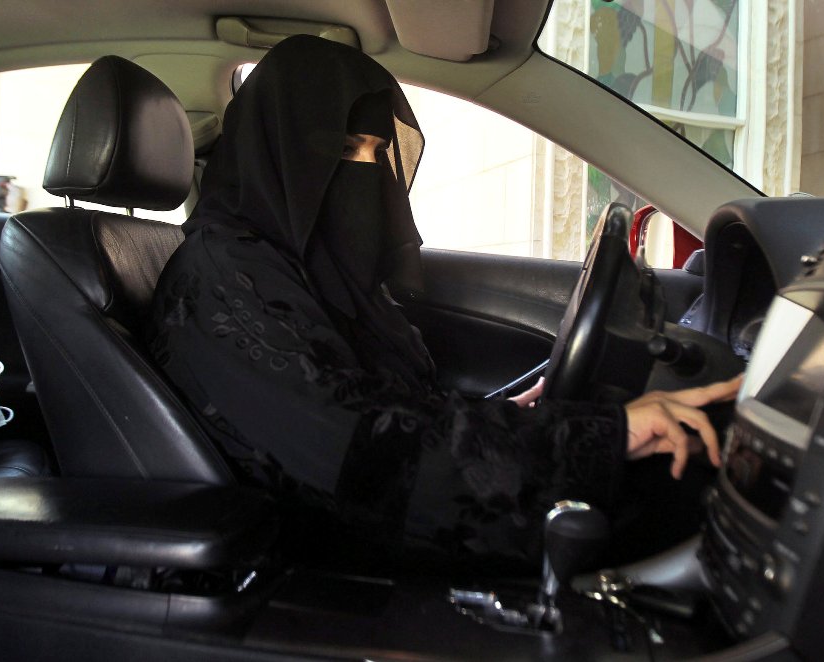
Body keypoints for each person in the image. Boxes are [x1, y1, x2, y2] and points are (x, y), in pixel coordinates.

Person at [148, 35, 741, 572]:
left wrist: (519, 415)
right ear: (278, 150)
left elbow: (384, 409)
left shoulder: (296, 267)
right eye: (347, 148)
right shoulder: (222, 278)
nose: (369, 173)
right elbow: (359, 449)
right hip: (325, 569)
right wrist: (597, 437)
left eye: (378, 152)